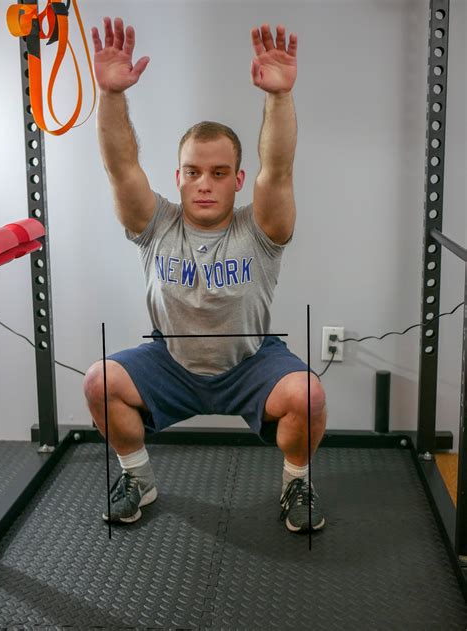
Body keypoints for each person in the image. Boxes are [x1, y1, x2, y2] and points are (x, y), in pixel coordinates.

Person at [84, 16, 327, 534]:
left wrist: (279, 98)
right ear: (178, 176)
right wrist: (110, 94)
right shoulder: (156, 226)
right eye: (192, 171)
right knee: (99, 381)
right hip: (170, 362)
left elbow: (277, 169)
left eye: (219, 173)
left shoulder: (260, 228)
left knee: (309, 395)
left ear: (238, 179)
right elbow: (121, 167)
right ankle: (137, 479)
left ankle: (296, 482)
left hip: (250, 362)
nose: (204, 184)